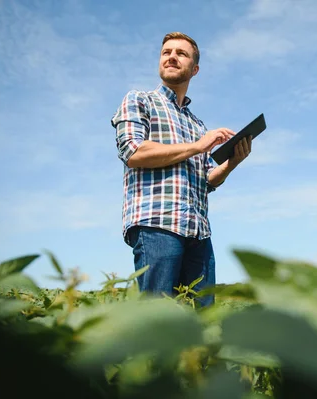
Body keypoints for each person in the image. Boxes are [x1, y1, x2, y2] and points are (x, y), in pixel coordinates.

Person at [111, 32, 252, 307]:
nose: (172, 56)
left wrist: (232, 162)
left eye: (181, 53)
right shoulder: (140, 100)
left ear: (194, 69)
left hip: (198, 233)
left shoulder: (197, 124)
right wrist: (198, 146)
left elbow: (206, 182)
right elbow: (133, 151)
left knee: (202, 323)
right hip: (157, 225)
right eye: (166, 52)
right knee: (159, 319)